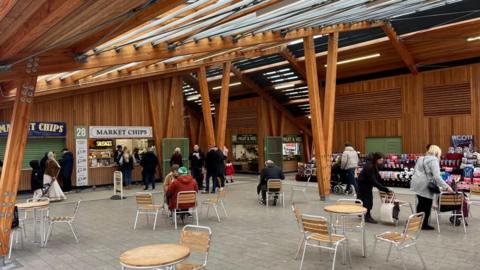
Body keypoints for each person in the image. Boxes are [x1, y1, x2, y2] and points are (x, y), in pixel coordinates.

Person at [411, 145, 453, 230]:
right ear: (437, 152)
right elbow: (437, 177)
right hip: (425, 184)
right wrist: (447, 187)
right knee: (427, 204)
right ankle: (424, 224)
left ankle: (418, 223)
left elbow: (415, 170)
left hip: (416, 182)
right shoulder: (434, 160)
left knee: (421, 203)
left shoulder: (421, 158)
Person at [357, 152, 390, 223]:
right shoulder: (370, 166)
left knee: (364, 198)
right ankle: (367, 216)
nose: (382, 162)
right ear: (376, 159)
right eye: (381, 160)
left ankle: (363, 213)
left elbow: (378, 177)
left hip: (365, 183)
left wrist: (383, 185)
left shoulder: (373, 164)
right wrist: (383, 188)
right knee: (367, 199)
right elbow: (373, 181)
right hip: (364, 183)